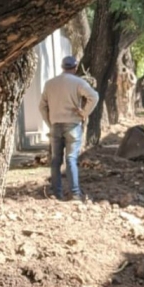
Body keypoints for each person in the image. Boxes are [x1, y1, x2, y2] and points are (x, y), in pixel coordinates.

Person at [39, 55, 99, 202]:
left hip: (55, 125)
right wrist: (84, 113)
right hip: (72, 124)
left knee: (55, 160)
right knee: (71, 159)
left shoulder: (50, 83)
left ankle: (56, 193)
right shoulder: (79, 82)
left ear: (62, 67)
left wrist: (50, 122)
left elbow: (42, 106)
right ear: (75, 67)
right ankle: (75, 193)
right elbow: (94, 97)